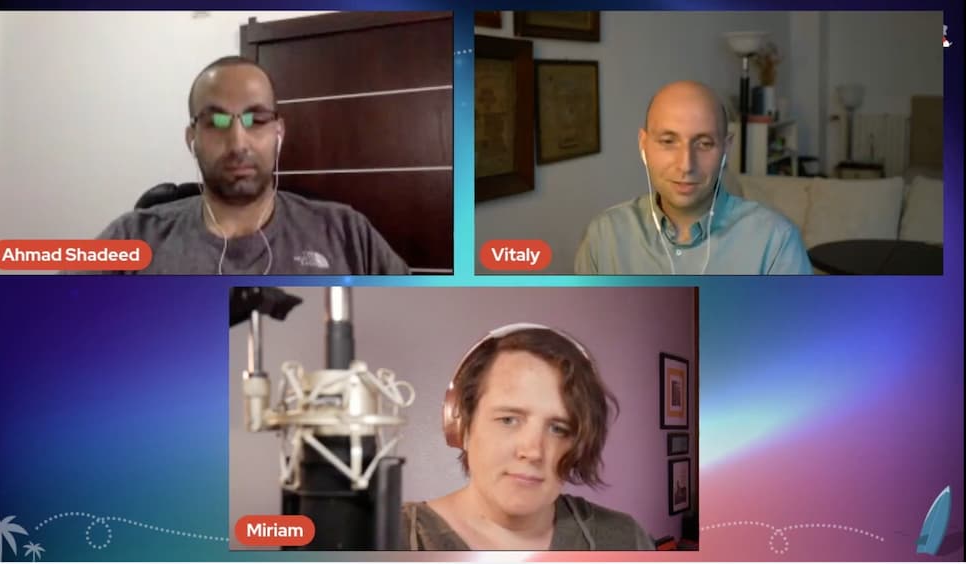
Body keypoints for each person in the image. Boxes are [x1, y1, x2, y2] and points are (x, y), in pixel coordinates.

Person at [95, 56, 409, 275]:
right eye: (216, 122)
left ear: (278, 132)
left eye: (256, 120)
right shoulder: (130, 236)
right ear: (192, 138)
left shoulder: (348, 233)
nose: (237, 143)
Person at [401, 324, 655, 550]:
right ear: (461, 426)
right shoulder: (388, 536)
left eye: (559, 429)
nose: (533, 451)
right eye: (508, 420)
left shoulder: (624, 539)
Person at [575, 80, 812, 275]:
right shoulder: (604, 235)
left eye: (704, 144)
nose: (686, 165)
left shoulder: (776, 242)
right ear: (643, 144)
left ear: (726, 148)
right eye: (668, 141)